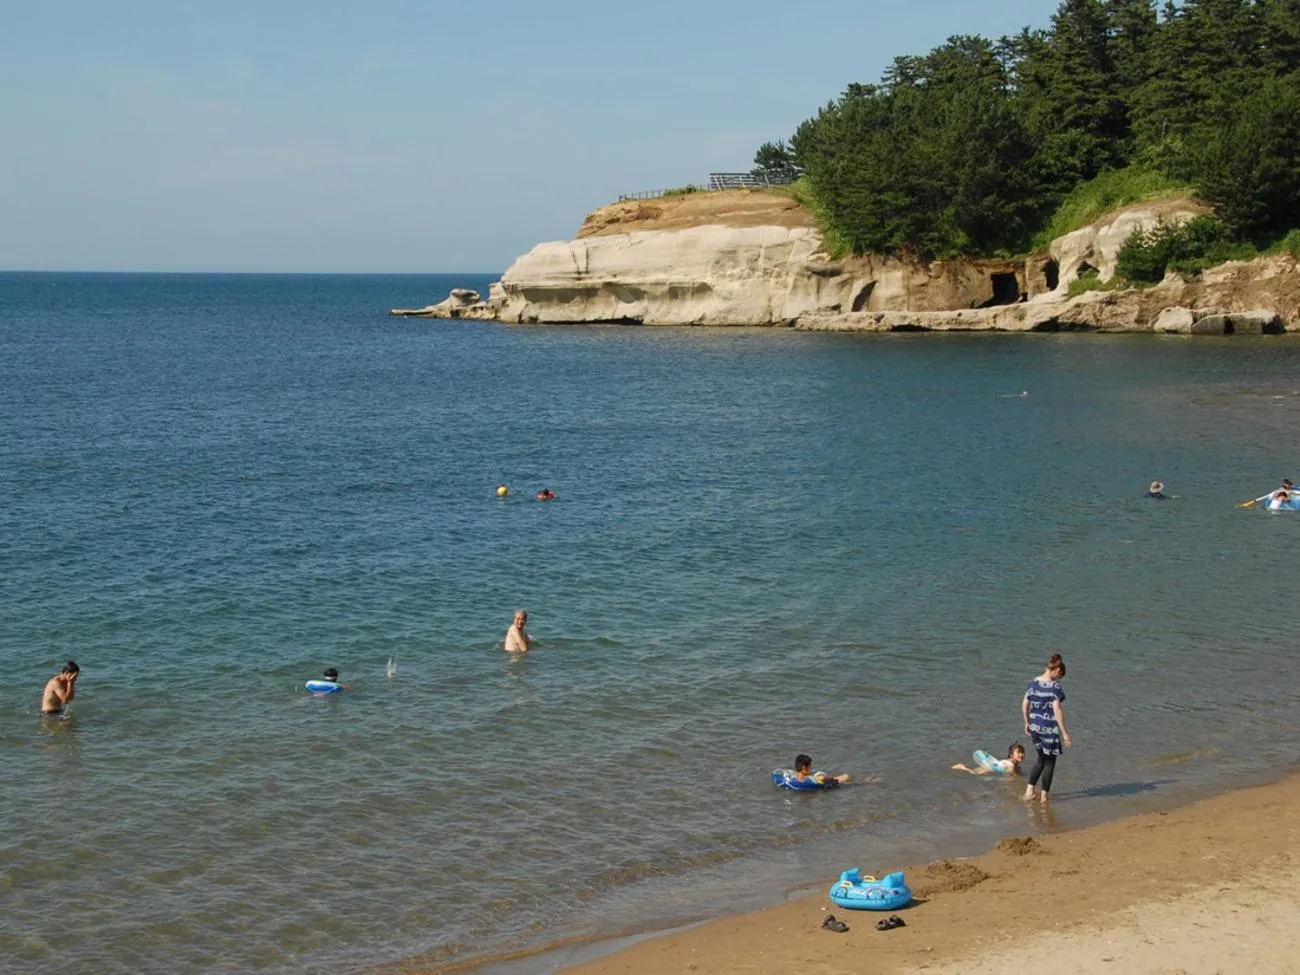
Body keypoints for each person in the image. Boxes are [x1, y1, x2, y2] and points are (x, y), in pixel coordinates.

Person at [1022, 653, 1071, 803]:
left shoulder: (1033, 683)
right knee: (1050, 763)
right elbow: (1057, 710)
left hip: (1035, 727)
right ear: (1057, 671)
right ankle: (1044, 797)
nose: (1058, 678)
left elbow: (1024, 703)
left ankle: (1029, 791)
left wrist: (1027, 722)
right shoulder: (1055, 688)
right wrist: (1065, 733)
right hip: (1049, 728)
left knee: (1040, 759)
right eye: (1059, 675)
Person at [952, 742, 1026, 776]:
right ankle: (962, 767)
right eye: (1018, 752)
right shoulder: (1011, 766)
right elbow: (1009, 779)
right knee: (973, 773)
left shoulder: (1014, 765)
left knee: (974, 771)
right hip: (990, 768)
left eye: (1022, 752)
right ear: (1011, 755)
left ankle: (963, 767)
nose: (1021, 754)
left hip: (993, 764)